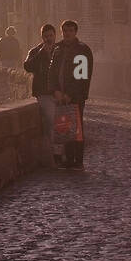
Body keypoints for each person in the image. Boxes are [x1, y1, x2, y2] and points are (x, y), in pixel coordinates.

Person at [49, 19, 94, 168]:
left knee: (77, 128)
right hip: (60, 95)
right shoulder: (57, 49)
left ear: (75, 32)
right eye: (65, 31)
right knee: (65, 126)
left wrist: (71, 94)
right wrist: (55, 90)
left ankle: (78, 160)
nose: (67, 34)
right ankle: (68, 159)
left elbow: (82, 76)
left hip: (76, 96)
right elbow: (52, 72)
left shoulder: (82, 49)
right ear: (62, 32)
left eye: (70, 31)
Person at [23, 23, 60, 165]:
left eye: (51, 36)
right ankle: (53, 154)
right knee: (51, 121)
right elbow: (27, 67)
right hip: (44, 93)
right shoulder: (35, 51)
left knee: (63, 123)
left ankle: (61, 153)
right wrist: (41, 54)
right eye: (46, 36)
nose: (49, 38)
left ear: (55, 35)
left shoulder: (60, 49)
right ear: (42, 37)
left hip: (59, 92)